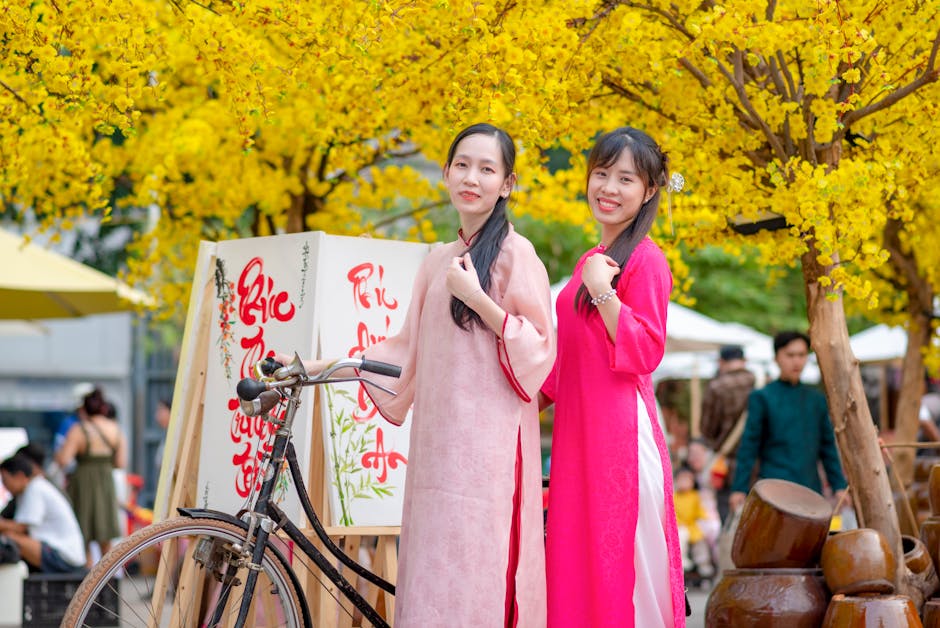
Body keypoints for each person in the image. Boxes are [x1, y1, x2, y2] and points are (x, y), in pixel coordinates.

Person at [281, 123, 555, 627]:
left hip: (491, 459)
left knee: (481, 576)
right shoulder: (437, 261)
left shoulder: (519, 256)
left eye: (487, 169)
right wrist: (321, 367)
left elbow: (540, 350)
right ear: (447, 173)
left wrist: (478, 301)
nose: (472, 178)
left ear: (507, 184)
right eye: (462, 165)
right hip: (435, 455)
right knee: (431, 578)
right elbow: (403, 353)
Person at [539, 127, 685, 626]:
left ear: (648, 191)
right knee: (576, 564)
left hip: (620, 438)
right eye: (601, 174)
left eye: (626, 178)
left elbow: (645, 349)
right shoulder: (590, 260)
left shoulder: (646, 259)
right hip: (577, 438)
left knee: (621, 570)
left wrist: (603, 292)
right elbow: (565, 365)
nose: (609, 187)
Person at [729, 331, 848, 512]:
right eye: (790, 355)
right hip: (774, 491)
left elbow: (828, 448)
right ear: (777, 358)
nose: (796, 361)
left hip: (811, 489)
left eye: (801, 355)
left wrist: (838, 485)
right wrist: (739, 487)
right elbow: (749, 446)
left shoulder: (816, 400)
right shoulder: (762, 397)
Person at [54, 387, 128, 566]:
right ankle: (108, 581)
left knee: (83, 534)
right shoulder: (115, 430)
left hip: (83, 483)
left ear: (84, 409)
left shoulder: (79, 430)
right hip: (105, 483)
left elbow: (63, 460)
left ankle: (89, 582)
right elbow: (120, 463)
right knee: (105, 537)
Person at [699, 344, 756, 523]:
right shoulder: (761, 382)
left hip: (727, 466)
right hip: (759, 465)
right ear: (744, 361)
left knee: (729, 521)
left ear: (721, 362)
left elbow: (706, 430)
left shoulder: (716, 387)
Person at [0, 453, 86, 572]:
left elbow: (20, 528)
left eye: (5, 480)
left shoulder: (35, 488)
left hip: (64, 555)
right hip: (56, 551)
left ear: (19, 476)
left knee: (10, 539)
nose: (5, 485)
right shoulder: (26, 491)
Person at [673, 465, 715, 587]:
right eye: (682, 479)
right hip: (680, 526)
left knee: (700, 542)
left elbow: (699, 511)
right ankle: (683, 562)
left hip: (692, 526)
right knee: (681, 539)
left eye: (688, 480)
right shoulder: (674, 496)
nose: (685, 483)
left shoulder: (695, 496)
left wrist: (706, 517)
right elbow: (673, 511)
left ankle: (704, 566)